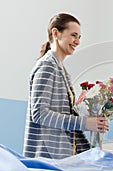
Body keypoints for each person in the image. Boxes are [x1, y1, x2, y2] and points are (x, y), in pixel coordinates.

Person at [23, 13, 108, 159]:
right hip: (46, 158)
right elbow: (39, 114)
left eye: (79, 37)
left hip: (62, 154)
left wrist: (91, 117)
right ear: (56, 33)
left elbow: (62, 114)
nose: (77, 42)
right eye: (73, 35)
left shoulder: (61, 69)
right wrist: (85, 123)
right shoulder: (47, 66)